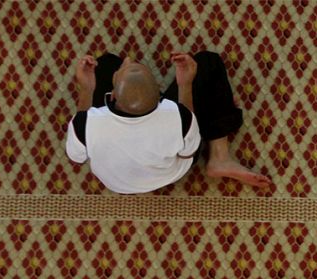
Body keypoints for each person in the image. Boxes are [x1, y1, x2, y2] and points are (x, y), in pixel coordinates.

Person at [65, 51, 271, 194]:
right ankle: (220, 156)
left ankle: (219, 160)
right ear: (160, 96)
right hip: (170, 172)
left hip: (118, 183)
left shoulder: (87, 124)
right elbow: (187, 152)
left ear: (111, 97)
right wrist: (186, 84)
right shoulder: (175, 116)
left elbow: (77, 157)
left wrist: (86, 89)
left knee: (106, 63)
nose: (129, 60)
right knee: (208, 62)